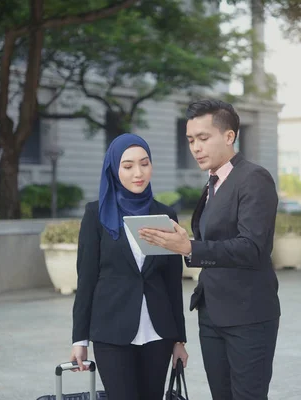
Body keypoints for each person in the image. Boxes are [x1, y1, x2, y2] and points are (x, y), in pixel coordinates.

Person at [139, 100, 280, 400]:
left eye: (203, 138)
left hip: (248, 316)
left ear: (229, 137)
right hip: (212, 314)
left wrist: (191, 246)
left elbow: (253, 248)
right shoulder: (212, 182)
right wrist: (183, 240)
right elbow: (216, 238)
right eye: (191, 140)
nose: (195, 148)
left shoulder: (254, 178)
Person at [70, 133, 188, 400]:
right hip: (111, 332)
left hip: (158, 333)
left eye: (144, 163)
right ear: (114, 168)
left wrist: (179, 339)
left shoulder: (165, 215)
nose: (138, 172)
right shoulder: (95, 215)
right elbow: (86, 279)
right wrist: (79, 339)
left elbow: (172, 281)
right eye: (128, 165)